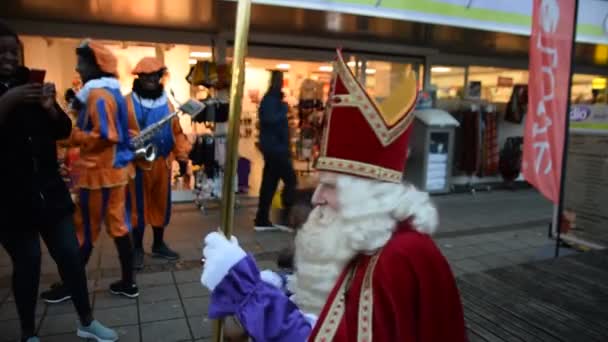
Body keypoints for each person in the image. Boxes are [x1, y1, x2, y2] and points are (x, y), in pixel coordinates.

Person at [199, 51, 466, 341]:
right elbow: (336, 302)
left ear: (370, 196)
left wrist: (248, 291)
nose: (316, 198)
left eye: (332, 186)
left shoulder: (396, 259)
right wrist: (283, 288)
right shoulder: (371, 235)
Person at [0, 23, 118, 342]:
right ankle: (27, 333)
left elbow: (63, 130)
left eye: (14, 51)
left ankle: (87, 320)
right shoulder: (14, 92)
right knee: (28, 263)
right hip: (10, 197)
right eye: (3, 52)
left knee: (69, 254)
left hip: (50, 191)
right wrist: (10, 98)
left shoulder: (31, 84)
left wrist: (50, 108)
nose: (10, 57)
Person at [41, 39, 139, 303]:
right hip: (116, 171)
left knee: (84, 230)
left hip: (97, 175)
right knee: (118, 227)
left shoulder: (96, 96)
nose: (77, 67)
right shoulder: (113, 93)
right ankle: (128, 283)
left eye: (82, 62)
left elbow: (106, 134)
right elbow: (126, 131)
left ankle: (71, 286)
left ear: (96, 65)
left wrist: (74, 137)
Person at [125, 57, 191, 270]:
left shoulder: (167, 102)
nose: (152, 80)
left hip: (162, 163)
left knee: (161, 205)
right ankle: (136, 249)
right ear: (139, 78)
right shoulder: (126, 103)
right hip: (138, 166)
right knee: (138, 207)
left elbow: (177, 132)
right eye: (147, 76)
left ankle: (158, 243)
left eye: (156, 76)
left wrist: (181, 157)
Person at [254, 70, 297, 231]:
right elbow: (270, 119)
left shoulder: (272, 99)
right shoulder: (271, 100)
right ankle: (284, 219)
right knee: (291, 180)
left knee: (269, 183)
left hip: (274, 147)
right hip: (275, 149)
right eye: (280, 80)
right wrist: (284, 109)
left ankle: (262, 219)